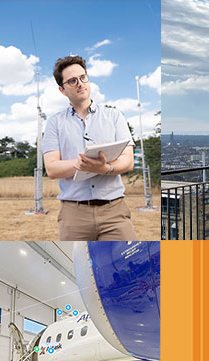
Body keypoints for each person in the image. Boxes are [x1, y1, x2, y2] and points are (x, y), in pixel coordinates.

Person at [41, 54, 137, 243]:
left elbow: (128, 160)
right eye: (72, 81)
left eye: (83, 77)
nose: (80, 83)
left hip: (114, 212)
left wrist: (106, 168)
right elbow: (51, 168)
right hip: (74, 214)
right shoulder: (54, 122)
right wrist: (83, 163)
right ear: (62, 89)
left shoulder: (114, 116)